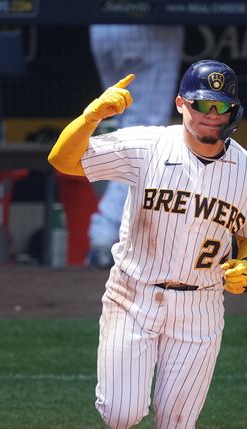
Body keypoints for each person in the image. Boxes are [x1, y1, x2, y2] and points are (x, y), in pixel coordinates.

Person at [47, 60, 247, 429]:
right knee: (121, 413)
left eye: (221, 107)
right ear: (181, 104)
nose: (210, 116)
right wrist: (91, 118)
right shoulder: (147, 145)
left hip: (201, 308)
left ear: (234, 111)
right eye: (201, 105)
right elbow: (64, 162)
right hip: (135, 294)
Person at [86, 24, 185, 268]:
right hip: (147, 26)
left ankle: (122, 232)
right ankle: (106, 230)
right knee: (145, 132)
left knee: (124, 122)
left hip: (102, 26)